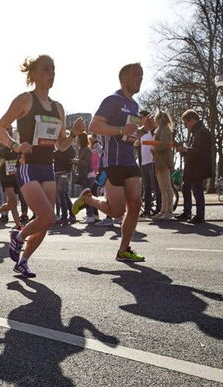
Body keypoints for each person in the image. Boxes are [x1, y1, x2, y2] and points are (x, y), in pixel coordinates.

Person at [0, 54, 86, 276]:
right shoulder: (25, 100)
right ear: (33, 74)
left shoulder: (58, 108)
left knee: (45, 221)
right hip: (28, 167)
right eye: (46, 69)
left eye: (53, 69)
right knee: (48, 217)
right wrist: (16, 145)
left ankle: (23, 261)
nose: (51, 73)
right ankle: (18, 236)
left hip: (47, 167)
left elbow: (61, 145)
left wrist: (73, 135)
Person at [71, 63, 146, 260]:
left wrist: (143, 130)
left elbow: (130, 135)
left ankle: (124, 249)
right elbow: (94, 125)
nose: (140, 79)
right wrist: (120, 130)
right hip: (112, 162)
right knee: (116, 211)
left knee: (135, 205)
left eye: (142, 76)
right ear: (124, 79)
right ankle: (88, 199)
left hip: (130, 160)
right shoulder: (113, 100)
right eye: (136, 75)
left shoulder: (134, 105)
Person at [173, 110, 214, 223]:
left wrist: (185, 149)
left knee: (197, 190)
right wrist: (184, 150)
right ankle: (187, 211)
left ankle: (200, 215)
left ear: (191, 120)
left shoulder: (202, 132)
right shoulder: (197, 132)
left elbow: (200, 151)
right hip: (193, 166)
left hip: (198, 167)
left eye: (185, 123)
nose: (185, 126)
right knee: (185, 187)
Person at [150, 111, 176, 221]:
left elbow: (165, 144)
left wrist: (154, 148)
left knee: (166, 187)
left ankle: (168, 211)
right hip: (159, 160)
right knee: (162, 187)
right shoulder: (160, 129)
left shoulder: (165, 129)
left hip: (163, 160)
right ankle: (163, 210)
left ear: (160, 119)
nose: (155, 121)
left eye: (156, 118)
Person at [0, 138, 23, 227]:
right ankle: (18, 225)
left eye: (10, 131)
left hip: (16, 176)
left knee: (12, 203)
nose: (9, 133)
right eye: (7, 131)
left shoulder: (16, 145)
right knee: (13, 201)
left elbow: (22, 158)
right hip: (5, 177)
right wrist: (0, 164)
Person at [138, 112, 161, 218]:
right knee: (146, 188)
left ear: (146, 118)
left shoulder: (153, 130)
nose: (138, 119)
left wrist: (144, 143)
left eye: (140, 117)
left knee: (156, 187)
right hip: (143, 163)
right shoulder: (141, 132)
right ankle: (147, 210)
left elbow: (159, 144)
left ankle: (158, 209)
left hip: (152, 162)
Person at [53, 139, 75, 224]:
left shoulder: (66, 149)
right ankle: (71, 214)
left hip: (63, 173)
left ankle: (64, 216)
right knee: (64, 194)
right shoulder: (68, 149)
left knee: (62, 195)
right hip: (61, 172)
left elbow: (64, 158)